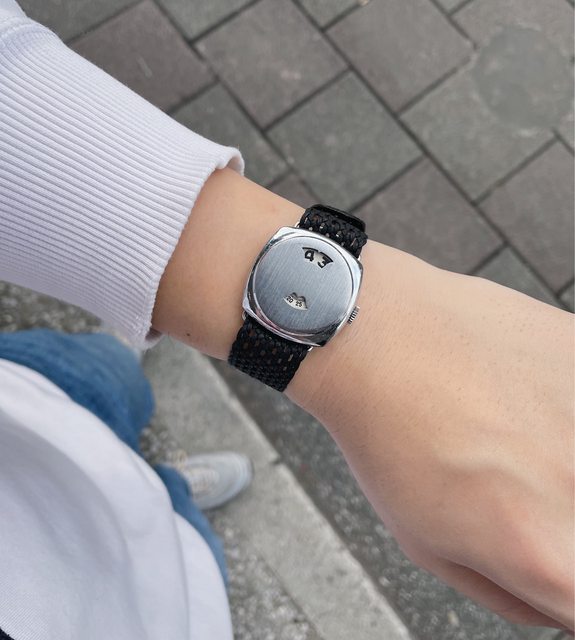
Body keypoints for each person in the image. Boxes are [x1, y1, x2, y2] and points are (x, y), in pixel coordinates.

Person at [0, 0, 572, 637]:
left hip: (22, 403)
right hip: (159, 606)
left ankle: (146, 466)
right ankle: (165, 493)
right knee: (159, 517)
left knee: (101, 372)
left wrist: (383, 333)